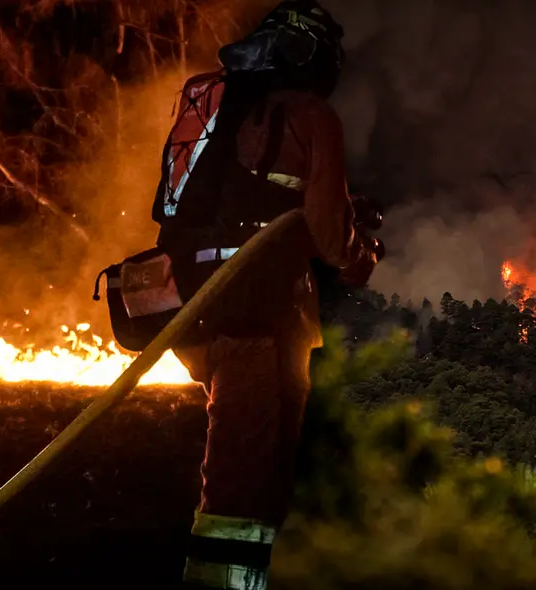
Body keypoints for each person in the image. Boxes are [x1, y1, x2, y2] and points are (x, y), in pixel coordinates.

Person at [148, 2, 379, 588]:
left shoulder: (213, 103)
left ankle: (249, 578)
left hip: (194, 307)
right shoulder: (310, 114)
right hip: (260, 314)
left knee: (253, 469)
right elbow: (331, 239)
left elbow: (224, 206)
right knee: (246, 478)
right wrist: (360, 255)